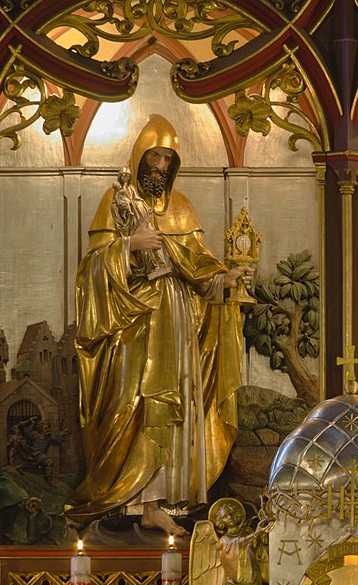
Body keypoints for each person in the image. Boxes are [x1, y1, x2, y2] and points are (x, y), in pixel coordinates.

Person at [70, 114, 251, 537]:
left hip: (178, 319)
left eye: (168, 159)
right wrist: (128, 246)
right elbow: (91, 269)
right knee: (136, 402)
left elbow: (198, 267)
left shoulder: (182, 206)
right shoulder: (115, 201)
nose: (161, 166)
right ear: (140, 156)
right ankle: (133, 499)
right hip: (133, 322)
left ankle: (164, 502)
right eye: (154, 156)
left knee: (176, 406)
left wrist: (223, 281)